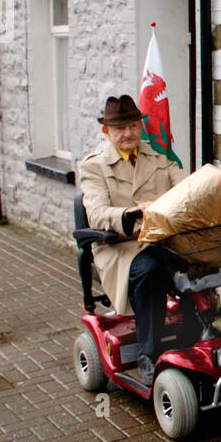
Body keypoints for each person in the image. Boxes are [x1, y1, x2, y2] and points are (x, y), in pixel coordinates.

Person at [77, 95, 189, 384]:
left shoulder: (158, 157)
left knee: (199, 259)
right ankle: (148, 355)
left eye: (133, 126)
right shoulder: (94, 167)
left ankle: (196, 336)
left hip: (159, 239)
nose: (128, 134)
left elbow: (185, 186)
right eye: (120, 128)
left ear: (141, 126)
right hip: (119, 247)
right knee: (150, 272)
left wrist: (209, 189)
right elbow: (98, 215)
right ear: (106, 132)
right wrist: (130, 212)